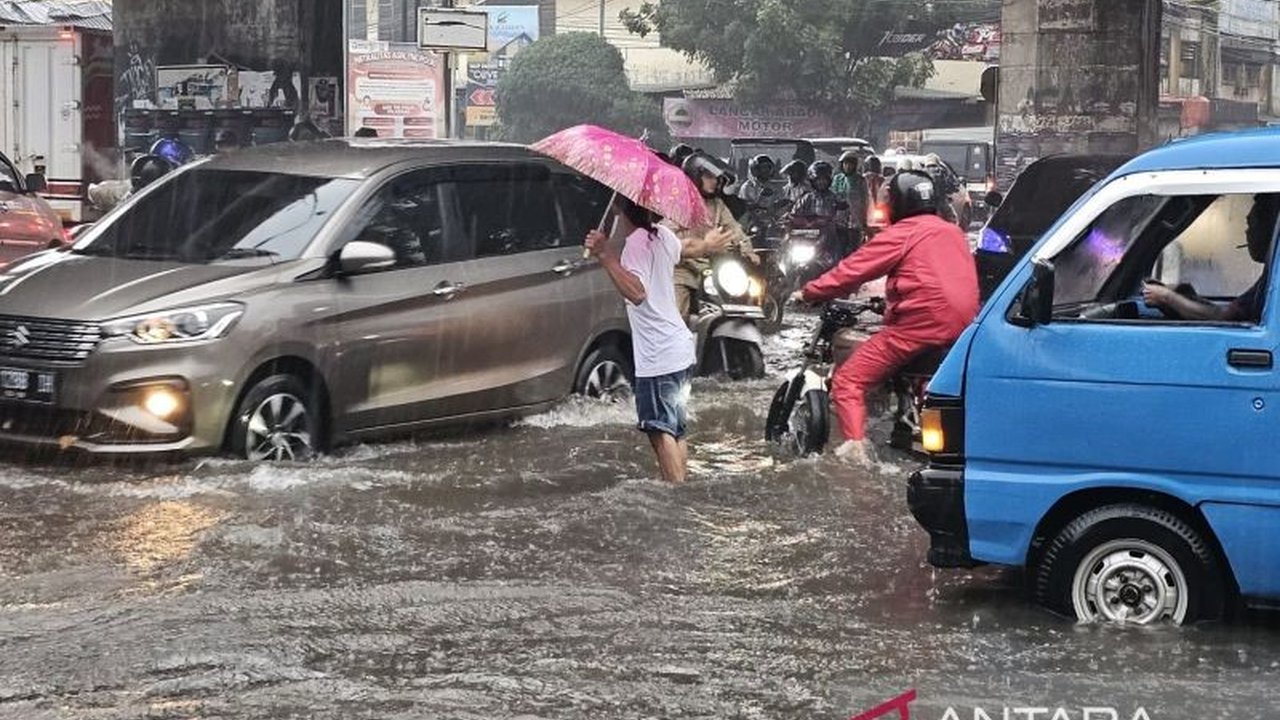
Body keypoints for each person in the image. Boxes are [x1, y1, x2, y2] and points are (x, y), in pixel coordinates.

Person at [792, 170, 979, 463]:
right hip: (964, 329)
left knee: (848, 381)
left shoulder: (902, 233)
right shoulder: (953, 233)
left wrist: (809, 292)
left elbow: (853, 270)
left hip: (920, 327)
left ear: (897, 203)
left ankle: (855, 454)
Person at [583, 196, 722, 483]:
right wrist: (707, 245)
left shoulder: (635, 245)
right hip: (680, 350)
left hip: (659, 356)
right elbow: (685, 248)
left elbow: (637, 293)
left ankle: (675, 494)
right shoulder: (662, 236)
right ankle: (680, 486)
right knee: (675, 429)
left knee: (660, 431)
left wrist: (604, 255)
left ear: (618, 207)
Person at [1143, 193, 1280, 323]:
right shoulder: (1269, 278)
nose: (1247, 232)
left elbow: (1223, 317)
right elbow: (1233, 313)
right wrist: (1188, 299)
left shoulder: (1274, 279)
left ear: (1272, 229)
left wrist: (1167, 297)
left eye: (1251, 224)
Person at [669, 152, 752, 320]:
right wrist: (691, 246)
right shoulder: (678, 203)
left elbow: (734, 229)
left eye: (715, 177)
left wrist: (748, 250)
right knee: (678, 315)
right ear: (694, 176)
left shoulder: (717, 204)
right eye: (708, 177)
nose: (714, 181)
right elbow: (667, 237)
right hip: (682, 269)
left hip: (711, 268)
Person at [832, 151, 869, 255]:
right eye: (846, 164)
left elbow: (865, 201)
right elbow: (832, 197)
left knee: (854, 250)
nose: (848, 166)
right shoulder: (837, 179)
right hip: (839, 221)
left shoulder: (860, 181)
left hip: (855, 222)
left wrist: (864, 221)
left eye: (851, 164)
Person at [738, 154, 780, 229]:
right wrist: (758, 203)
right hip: (751, 223)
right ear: (755, 169)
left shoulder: (775, 188)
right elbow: (743, 208)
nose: (766, 170)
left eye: (768, 167)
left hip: (771, 222)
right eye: (763, 167)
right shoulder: (747, 187)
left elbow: (779, 205)